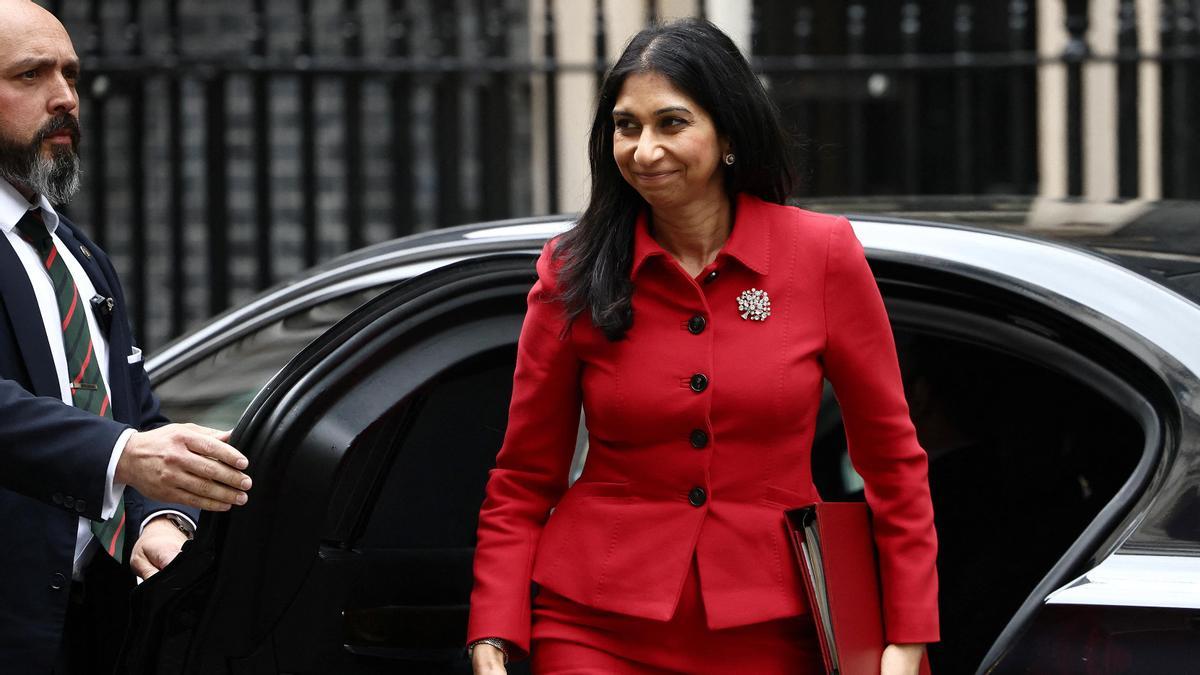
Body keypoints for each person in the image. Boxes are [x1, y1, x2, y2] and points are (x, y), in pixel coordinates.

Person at [467, 18, 938, 675]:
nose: (644, 148)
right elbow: (523, 476)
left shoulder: (820, 255)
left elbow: (892, 459)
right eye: (627, 126)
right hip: (593, 627)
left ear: (729, 138)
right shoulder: (571, 270)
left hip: (774, 628)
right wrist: (493, 628)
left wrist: (906, 636)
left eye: (671, 122)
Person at [0, 2, 254, 672]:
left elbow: (134, 413)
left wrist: (158, 517)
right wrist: (124, 455)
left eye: (71, 75)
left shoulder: (78, 253)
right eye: (30, 75)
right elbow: (119, 441)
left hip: (99, 625)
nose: (64, 98)